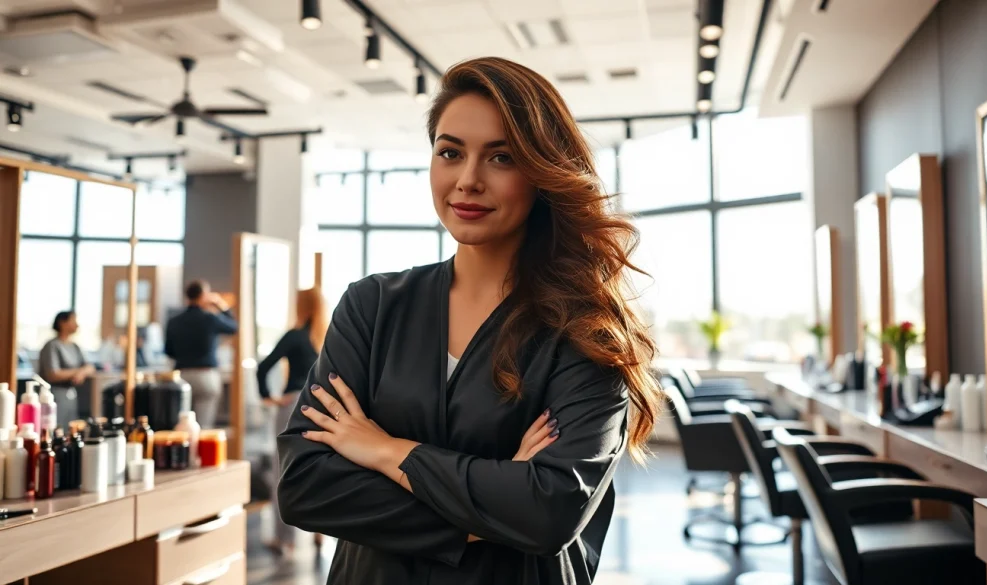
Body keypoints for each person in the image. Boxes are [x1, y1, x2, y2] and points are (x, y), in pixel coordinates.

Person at [276, 57, 661, 584]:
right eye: (450, 152)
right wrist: (494, 506)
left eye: (502, 157)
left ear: (542, 172)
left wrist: (386, 450)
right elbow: (305, 487)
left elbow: (548, 513)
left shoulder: (586, 332)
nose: (468, 180)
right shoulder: (372, 306)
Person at [256, 288, 328, 556]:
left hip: (294, 404)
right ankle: (320, 532)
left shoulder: (295, 335)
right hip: (323, 408)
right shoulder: (328, 339)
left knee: (284, 470)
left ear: (301, 307)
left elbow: (264, 367)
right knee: (318, 469)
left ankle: (284, 539)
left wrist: (268, 396)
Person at [164, 280, 238, 429]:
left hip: (181, 376)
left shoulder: (174, 321)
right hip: (205, 376)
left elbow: (169, 351)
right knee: (203, 425)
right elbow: (234, 327)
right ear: (203, 295)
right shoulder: (210, 318)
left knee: (182, 424)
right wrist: (221, 305)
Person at [39, 311, 93, 425]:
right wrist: (77, 372)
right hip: (54, 396)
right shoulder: (52, 345)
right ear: (62, 323)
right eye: (73, 321)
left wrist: (81, 373)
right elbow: (53, 374)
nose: (77, 325)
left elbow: (89, 367)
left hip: (71, 396)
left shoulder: (75, 346)